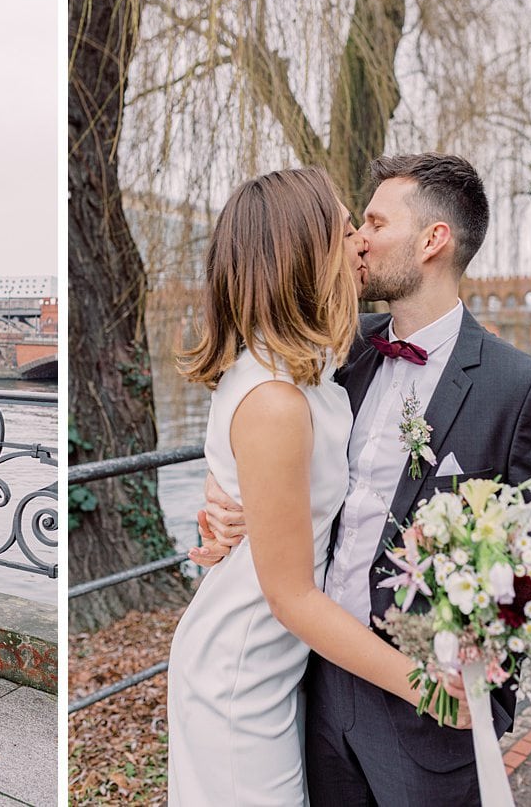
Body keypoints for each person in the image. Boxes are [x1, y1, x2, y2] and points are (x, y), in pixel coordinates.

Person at [194, 153, 531, 805]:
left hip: (429, 714)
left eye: (375, 222)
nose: (359, 239)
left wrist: (485, 614)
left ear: (432, 240)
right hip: (314, 686)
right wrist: (226, 505)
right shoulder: (336, 353)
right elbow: (266, 447)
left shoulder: (516, 387)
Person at [166, 165, 469, 806]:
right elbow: (292, 597)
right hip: (240, 675)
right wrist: (430, 687)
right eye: (344, 226)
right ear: (303, 253)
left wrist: (237, 513)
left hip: (281, 668)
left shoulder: (308, 370)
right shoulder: (277, 397)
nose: (360, 239)